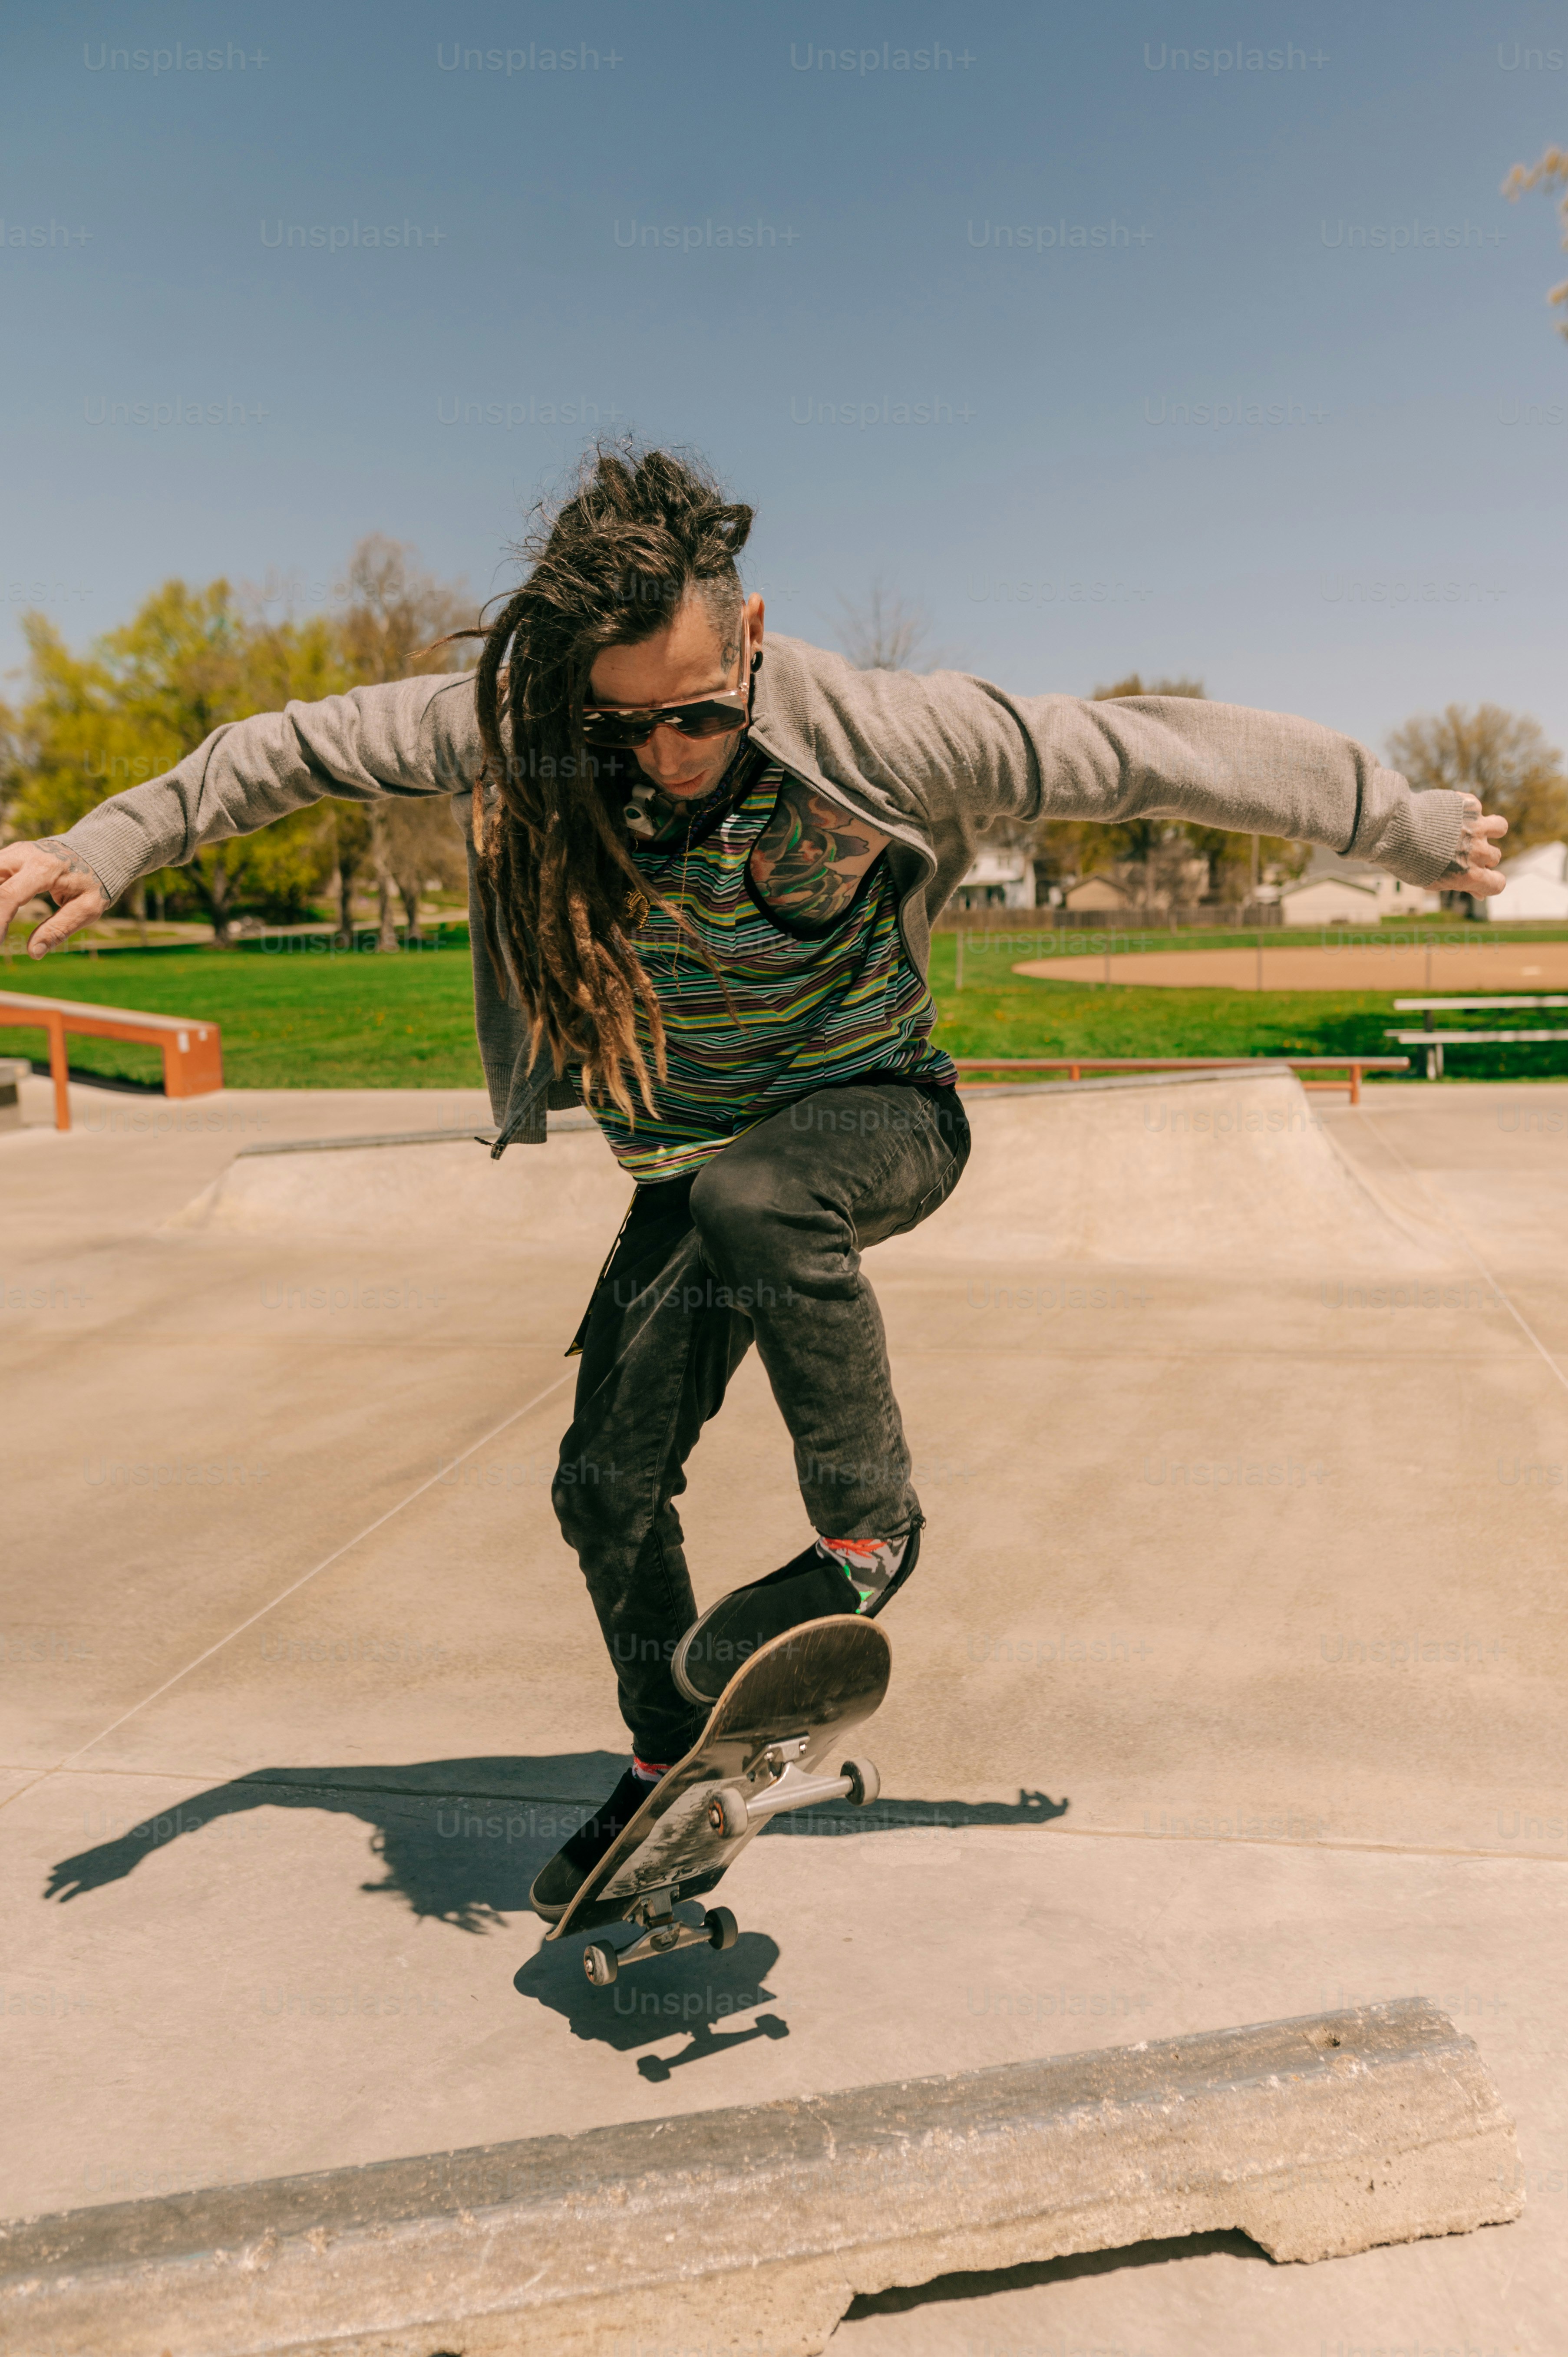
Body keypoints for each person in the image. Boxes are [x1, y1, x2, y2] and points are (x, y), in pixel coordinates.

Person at [0, 444, 1508, 1918]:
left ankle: (868, 1531)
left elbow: (1145, 747)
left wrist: (1408, 825)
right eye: (622, 729)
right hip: (687, 1164)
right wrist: (115, 838)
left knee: (761, 1195)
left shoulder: (891, 730)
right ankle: (672, 1763)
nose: (663, 753)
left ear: (756, 639)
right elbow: (297, 745)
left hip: (874, 1117)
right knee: (600, 1485)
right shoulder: (520, 722)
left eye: (700, 717)